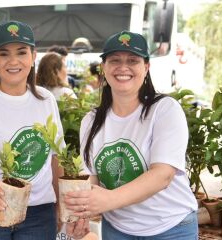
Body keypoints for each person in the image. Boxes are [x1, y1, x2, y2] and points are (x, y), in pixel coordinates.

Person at [0, 20, 89, 240]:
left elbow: (55, 157)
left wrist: (60, 205)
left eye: (21, 52)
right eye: (4, 54)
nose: (13, 61)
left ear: (33, 56)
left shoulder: (46, 99)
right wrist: (1, 196)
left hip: (39, 214)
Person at [64, 30, 198, 239]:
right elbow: (91, 178)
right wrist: (81, 215)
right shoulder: (91, 120)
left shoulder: (164, 110)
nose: (123, 67)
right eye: (115, 60)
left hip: (171, 228)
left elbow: (162, 175)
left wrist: (108, 200)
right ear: (103, 68)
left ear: (146, 67)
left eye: (133, 60)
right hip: (117, 229)